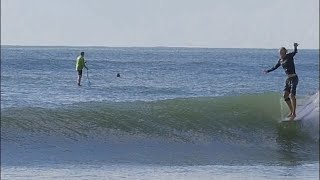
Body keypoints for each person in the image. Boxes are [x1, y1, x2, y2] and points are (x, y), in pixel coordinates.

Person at [264, 43, 299, 120]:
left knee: (292, 95)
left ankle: (294, 113)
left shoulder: (289, 56)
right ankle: (291, 111)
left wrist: (295, 47)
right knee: (285, 96)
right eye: (280, 53)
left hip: (294, 78)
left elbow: (295, 52)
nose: (281, 54)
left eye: (282, 52)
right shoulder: (280, 60)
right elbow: (275, 67)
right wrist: (268, 71)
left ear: (285, 52)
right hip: (288, 80)